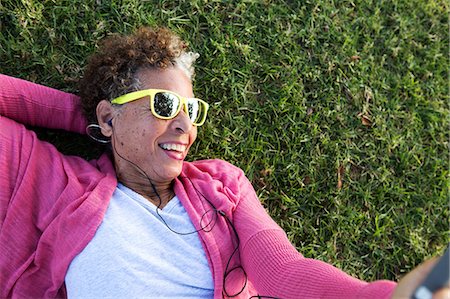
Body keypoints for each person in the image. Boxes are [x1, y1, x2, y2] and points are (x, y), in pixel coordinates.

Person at [0, 26, 447, 299]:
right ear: (108, 113)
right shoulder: (54, 181)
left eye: (191, 111)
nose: (184, 126)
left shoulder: (221, 186)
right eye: (162, 104)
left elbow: (282, 269)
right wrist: (92, 121)